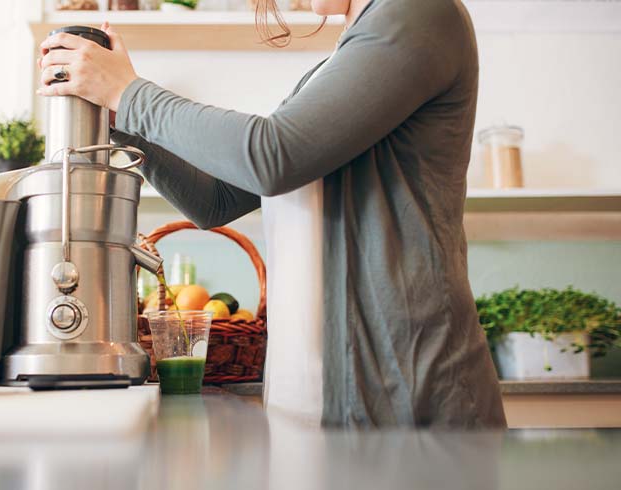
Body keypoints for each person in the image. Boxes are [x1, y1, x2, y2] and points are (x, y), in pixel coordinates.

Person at [37, 0, 507, 428]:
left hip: (409, 394)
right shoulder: (331, 69)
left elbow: (271, 155)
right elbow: (216, 201)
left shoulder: (418, 12)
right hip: (322, 397)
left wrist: (131, 94)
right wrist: (125, 119)